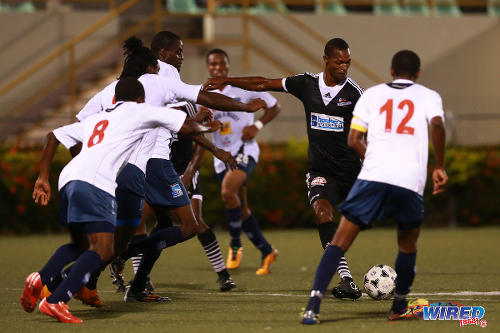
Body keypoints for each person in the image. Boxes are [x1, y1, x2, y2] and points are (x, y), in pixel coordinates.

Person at [21, 77, 213, 323]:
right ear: (141, 98)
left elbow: (53, 135)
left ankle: (43, 279)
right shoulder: (141, 111)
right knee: (107, 247)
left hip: (69, 178)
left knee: (81, 244)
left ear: (113, 99)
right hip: (104, 181)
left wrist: (43, 178)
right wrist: (209, 128)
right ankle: (58, 298)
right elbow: (181, 125)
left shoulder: (98, 118)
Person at [203, 38, 362, 297]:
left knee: (375, 219)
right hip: (320, 170)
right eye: (338, 62)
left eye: (347, 62)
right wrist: (228, 81)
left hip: (350, 170)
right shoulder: (306, 84)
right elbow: (263, 83)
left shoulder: (355, 94)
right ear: (326, 60)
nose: (344, 67)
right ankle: (346, 279)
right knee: (322, 212)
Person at [301, 50, 448, 324]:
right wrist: (439, 166)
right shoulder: (429, 96)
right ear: (417, 74)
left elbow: (355, 140)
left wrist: (375, 159)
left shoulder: (371, 94)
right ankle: (399, 306)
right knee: (407, 244)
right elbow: (437, 125)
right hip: (409, 180)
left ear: (391, 70)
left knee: (340, 240)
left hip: (373, 176)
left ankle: (312, 307)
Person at [119, 31, 236, 293]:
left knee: (189, 224)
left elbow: (194, 133)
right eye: (179, 52)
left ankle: (222, 274)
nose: (182, 57)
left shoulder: (174, 94)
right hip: (159, 167)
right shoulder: (162, 88)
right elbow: (185, 126)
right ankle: (138, 277)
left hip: (176, 169)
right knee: (168, 224)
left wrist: (197, 164)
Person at [202, 48, 281, 274]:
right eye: (213, 64)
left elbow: (274, 106)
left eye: (221, 64)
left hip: (244, 149)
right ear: (208, 67)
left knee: (228, 192)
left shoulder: (240, 88)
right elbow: (199, 123)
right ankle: (267, 251)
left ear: (227, 66)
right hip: (221, 156)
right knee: (241, 208)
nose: (217, 68)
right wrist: (208, 126)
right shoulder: (204, 94)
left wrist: (256, 126)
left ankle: (235, 245)